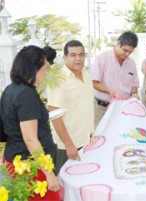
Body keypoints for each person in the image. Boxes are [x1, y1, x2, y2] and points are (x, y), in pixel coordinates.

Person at [0, 46, 60, 200]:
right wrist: (48, 173)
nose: (45, 73)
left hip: (14, 159)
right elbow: (30, 139)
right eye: (44, 69)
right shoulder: (26, 95)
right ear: (33, 69)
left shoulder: (10, 89)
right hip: (30, 166)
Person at [47, 40, 94, 173]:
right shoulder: (59, 79)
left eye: (81, 54)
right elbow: (55, 116)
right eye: (73, 55)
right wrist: (69, 145)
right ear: (65, 57)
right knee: (65, 187)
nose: (78, 58)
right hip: (67, 146)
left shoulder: (86, 74)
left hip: (86, 143)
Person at [91, 31, 140, 126]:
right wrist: (109, 91)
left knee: (121, 137)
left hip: (123, 109)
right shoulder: (102, 58)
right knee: (100, 137)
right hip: (102, 108)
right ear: (118, 43)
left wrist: (134, 94)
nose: (127, 54)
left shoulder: (131, 63)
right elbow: (94, 82)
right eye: (125, 50)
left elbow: (134, 83)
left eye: (130, 52)